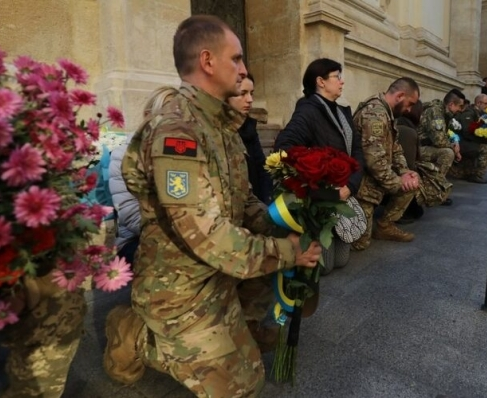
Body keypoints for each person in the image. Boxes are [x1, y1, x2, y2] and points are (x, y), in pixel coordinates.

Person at [104, 15, 321, 398]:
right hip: (180, 287)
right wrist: (287, 252)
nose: (242, 69)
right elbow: (209, 238)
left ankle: (234, 332)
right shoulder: (179, 131)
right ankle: (134, 333)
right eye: (235, 59)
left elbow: (244, 202)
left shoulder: (221, 126)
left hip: (218, 272)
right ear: (207, 61)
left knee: (257, 341)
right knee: (243, 386)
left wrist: (286, 225)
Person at [274, 58, 365, 273]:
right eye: (337, 77)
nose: (342, 82)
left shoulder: (343, 112)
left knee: (341, 261)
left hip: (345, 191)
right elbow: (283, 148)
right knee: (324, 266)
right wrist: (316, 173)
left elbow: (358, 152)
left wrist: (351, 185)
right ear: (321, 81)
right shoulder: (307, 111)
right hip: (323, 197)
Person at [109, 86, 177, 266]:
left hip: (183, 232)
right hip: (137, 238)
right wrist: (181, 230)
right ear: (148, 116)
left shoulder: (182, 153)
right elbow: (130, 215)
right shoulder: (123, 154)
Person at [351, 77, 421, 250]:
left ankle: (384, 226)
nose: (409, 110)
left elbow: (395, 148)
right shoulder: (374, 114)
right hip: (362, 184)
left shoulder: (387, 112)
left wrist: (405, 172)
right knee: (360, 244)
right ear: (400, 96)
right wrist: (398, 182)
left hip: (377, 178)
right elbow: (374, 162)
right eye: (409, 103)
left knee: (412, 182)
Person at [228, 73, 273, 204]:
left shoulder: (248, 126)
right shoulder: (219, 128)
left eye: (251, 93)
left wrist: (267, 202)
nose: (250, 99)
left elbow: (262, 167)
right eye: (243, 93)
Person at [417, 88, 466, 201]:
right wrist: (454, 148)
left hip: (426, 146)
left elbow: (442, 136)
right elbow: (439, 140)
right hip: (418, 147)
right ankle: (433, 191)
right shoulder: (436, 112)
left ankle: (436, 187)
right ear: (451, 104)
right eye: (460, 106)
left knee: (449, 151)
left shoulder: (443, 111)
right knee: (447, 153)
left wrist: (454, 143)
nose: (460, 110)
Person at [449, 94, 487, 183]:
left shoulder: (478, 113)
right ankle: (477, 174)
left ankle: (469, 172)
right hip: (460, 141)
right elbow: (467, 132)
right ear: (478, 103)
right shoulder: (469, 113)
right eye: (486, 104)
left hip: (466, 141)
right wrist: (484, 140)